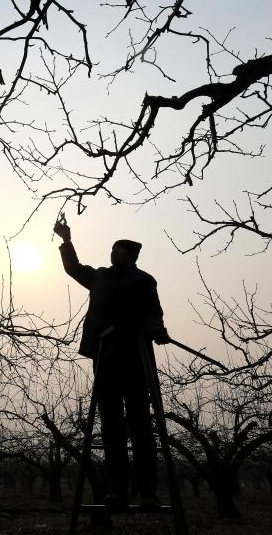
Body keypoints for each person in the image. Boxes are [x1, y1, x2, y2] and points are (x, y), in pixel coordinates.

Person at [53, 216, 170, 510]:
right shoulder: (100, 277)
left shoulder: (144, 280)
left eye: (119, 249)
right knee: (111, 427)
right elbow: (73, 268)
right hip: (105, 356)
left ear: (131, 255)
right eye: (112, 249)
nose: (113, 252)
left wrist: (157, 329)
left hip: (136, 357)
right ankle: (116, 491)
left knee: (141, 426)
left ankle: (148, 493)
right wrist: (66, 241)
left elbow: (154, 311)